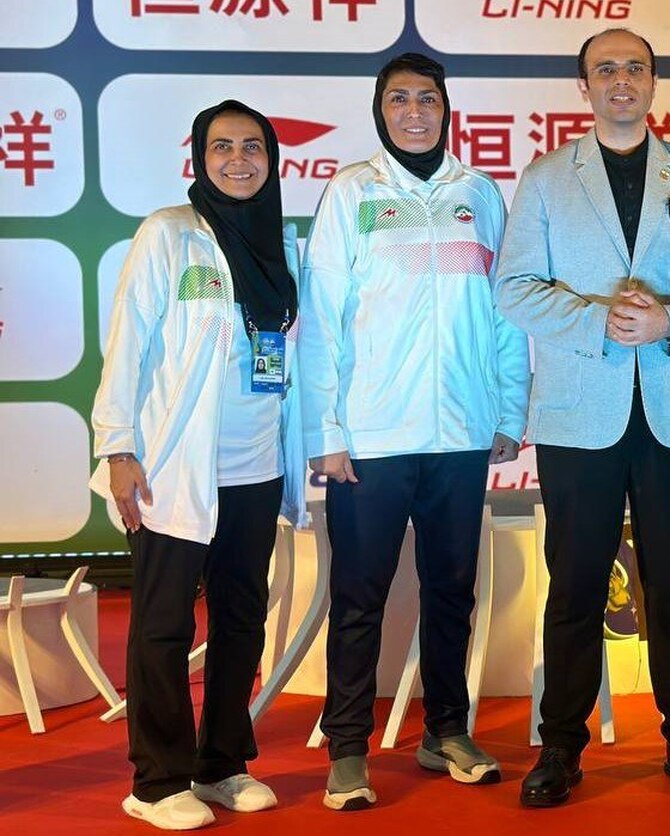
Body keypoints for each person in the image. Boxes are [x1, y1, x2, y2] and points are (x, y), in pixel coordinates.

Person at [495, 27, 670, 807]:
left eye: (635, 67)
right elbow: (514, 288)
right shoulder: (546, 178)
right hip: (580, 413)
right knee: (574, 583)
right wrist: (595, 321)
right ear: (585, 87)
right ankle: (561, 743)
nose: (622, 79)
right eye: (606, 69)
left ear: (653, 82)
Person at [299, 53, 529, 810]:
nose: (414, 112)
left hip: (460, 431)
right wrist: (327, 429)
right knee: (358, 595)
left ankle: (446, 732)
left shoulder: (478, 193)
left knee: (452, 590)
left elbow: (506, 312)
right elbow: (321, 320)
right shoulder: (353, 192)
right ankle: (348, 749)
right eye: (398, 99)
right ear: (380, 111)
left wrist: (508, 410)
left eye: (427, 99)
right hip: (372, 437)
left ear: (445, 108)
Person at [91, 100, 307, 831]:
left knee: (242, 619)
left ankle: (221, 764)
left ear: (272, 158)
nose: (238, 160)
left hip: (255, 464)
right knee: (163, 626)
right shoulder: (169, 234)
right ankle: (156, 782)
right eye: (222, 147)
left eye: (253, 147)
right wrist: (118, 447)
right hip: (173, 466)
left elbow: (293, 360)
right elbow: (127, 341)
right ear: (199, 158)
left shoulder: (283, 246)